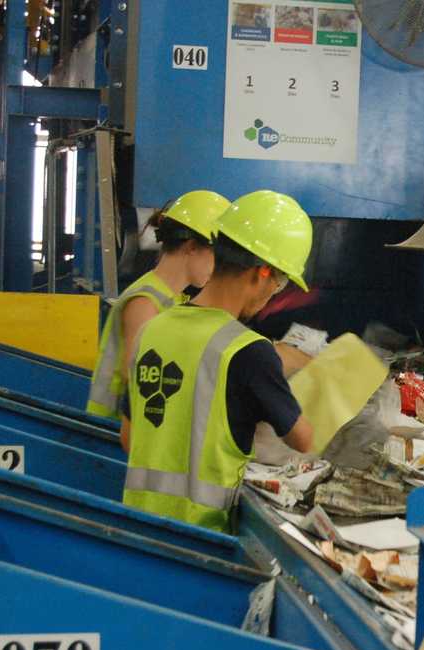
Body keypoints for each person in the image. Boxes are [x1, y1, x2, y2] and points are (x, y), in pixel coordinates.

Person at [121, 190, 316, 531]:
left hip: (137, 526)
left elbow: (129, 437)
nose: (274, 294)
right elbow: (303, 440)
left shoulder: (153, 329)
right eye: (281, 282)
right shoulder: (249, 350)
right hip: (203, 535)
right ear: (262, 273)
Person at [87, 191, 231, 419]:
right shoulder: (146, 302)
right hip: (110, 429)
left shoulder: (173, 299)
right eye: (217, 257)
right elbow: (136, 376)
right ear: (192, 247)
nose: (217, 268)